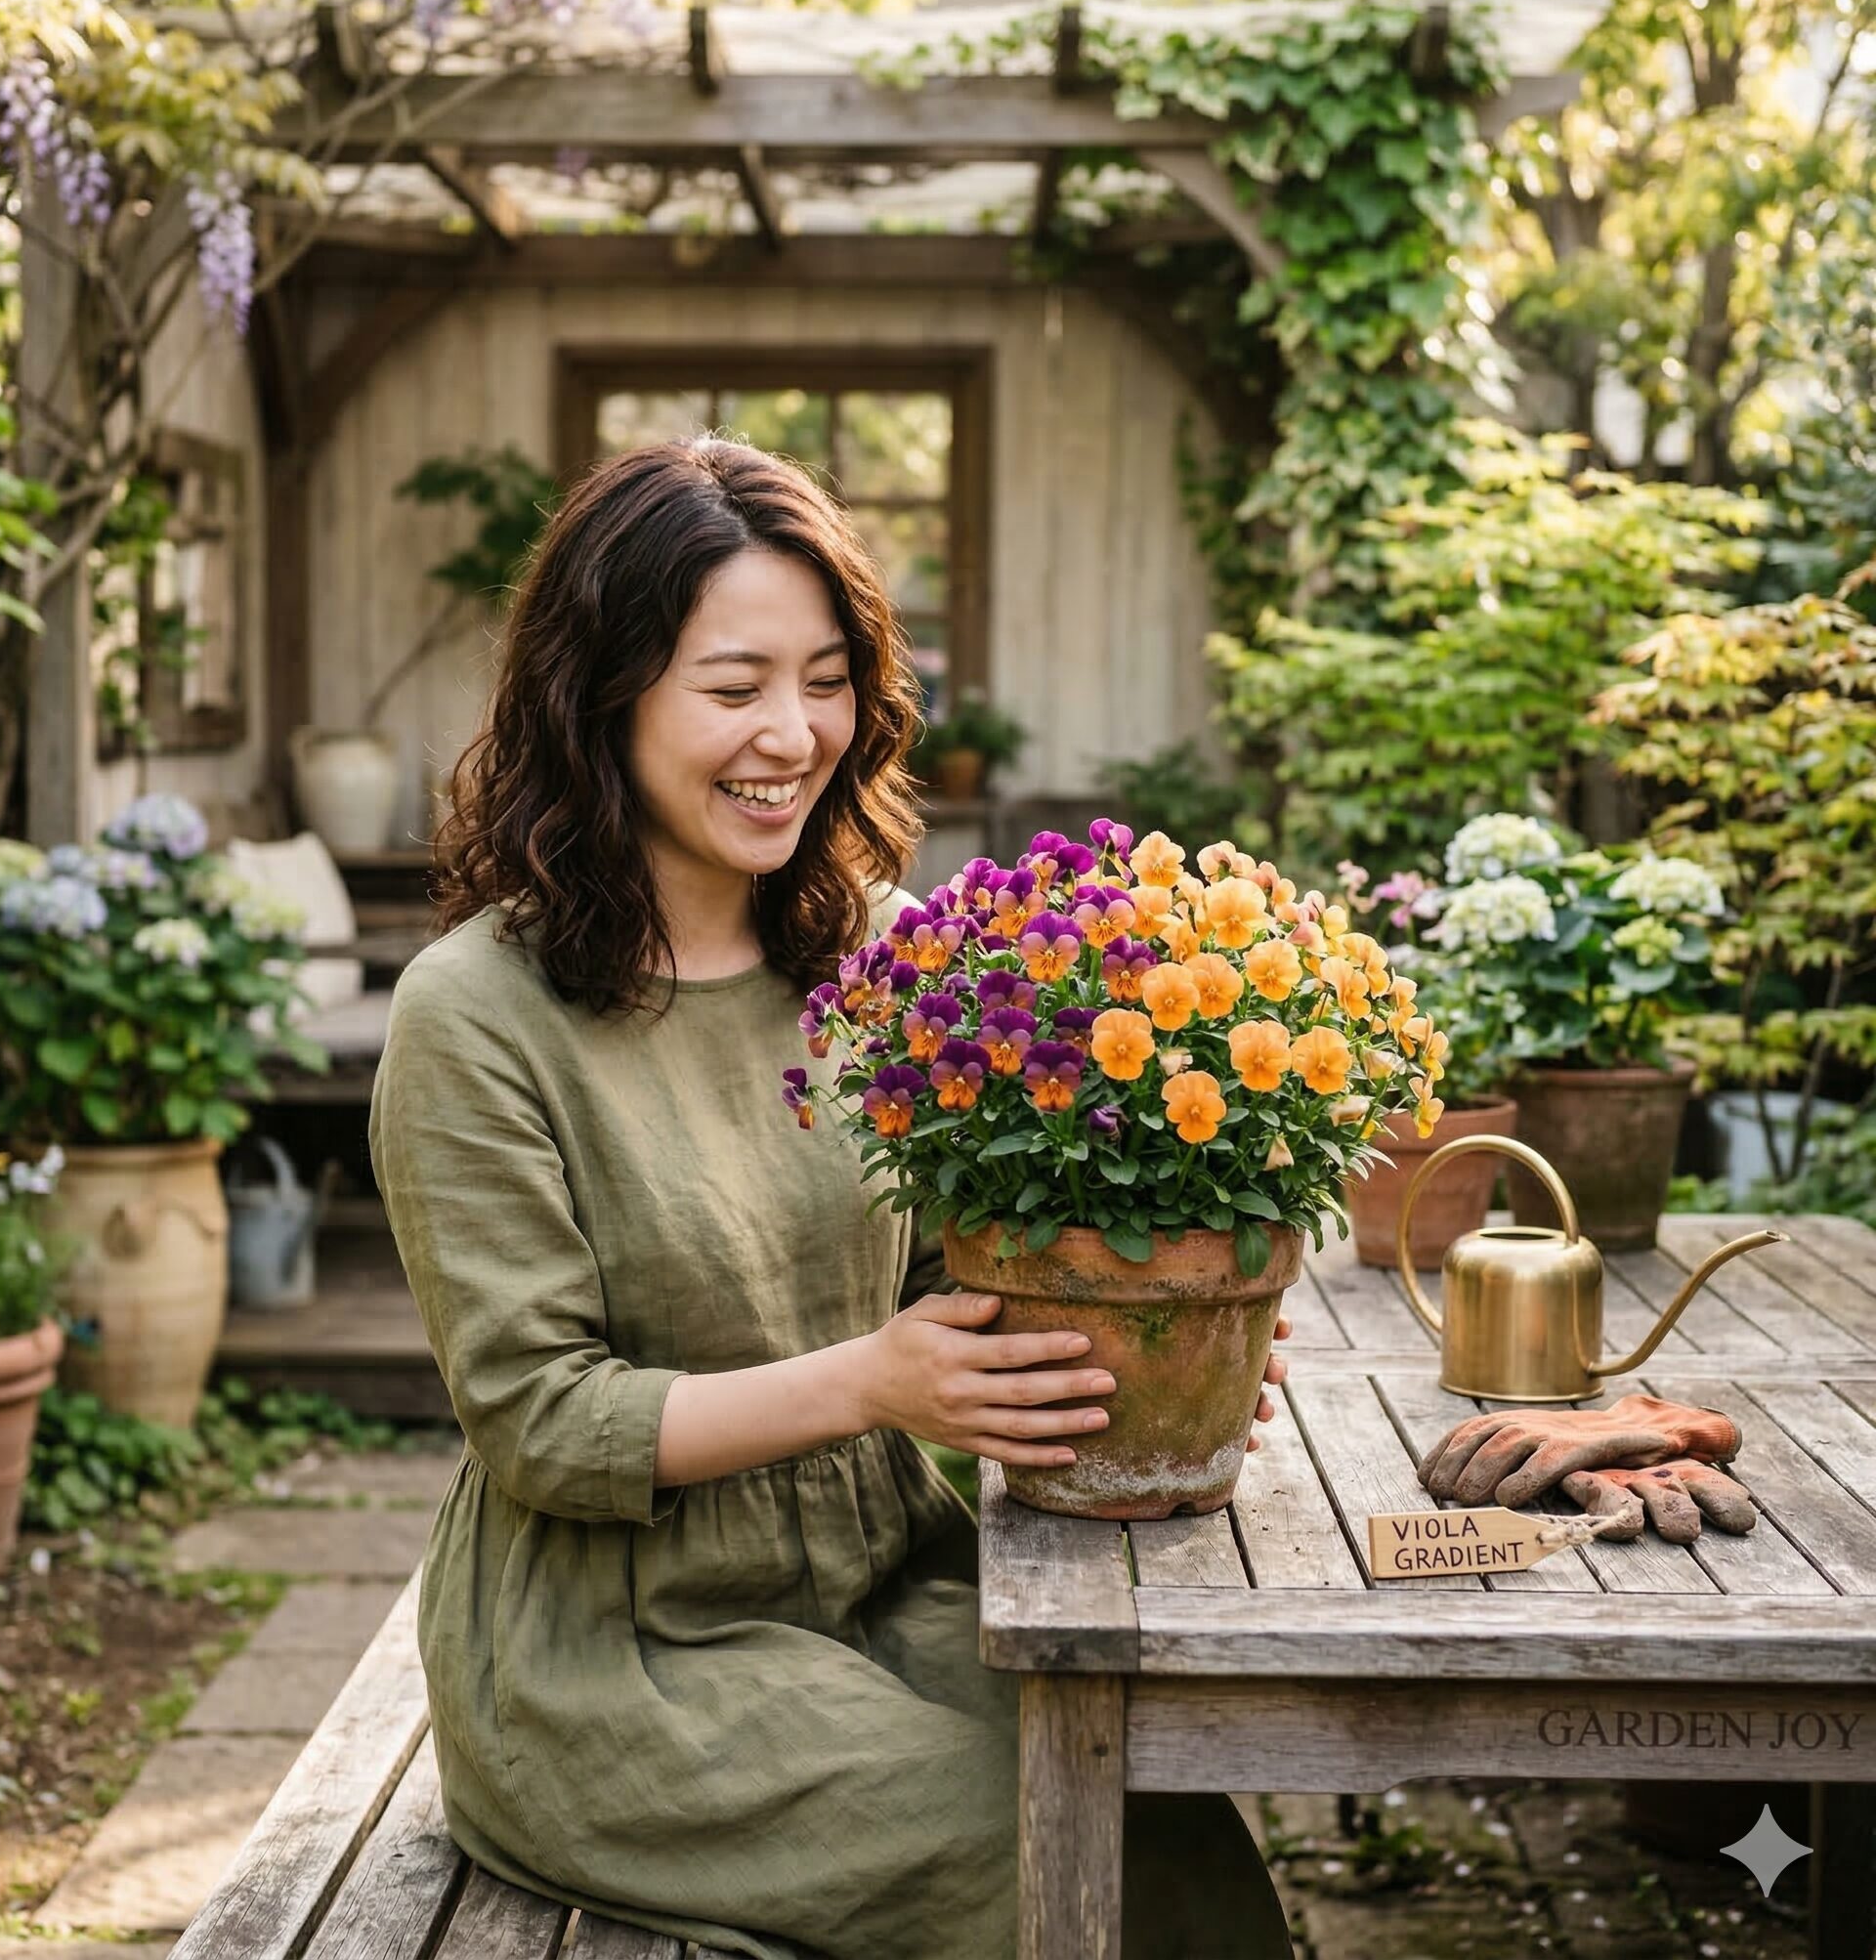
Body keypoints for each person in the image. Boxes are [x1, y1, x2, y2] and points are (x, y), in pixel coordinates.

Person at [368, 437, 1294, 1960]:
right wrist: (880, 1379)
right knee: (1037, 1860)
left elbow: (966, 1265)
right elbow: (540, 1420)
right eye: (732, 688)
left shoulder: (876, 947)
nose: (790, 734)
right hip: (622, 1656)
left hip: (883, 1575)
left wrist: (1150, 1351)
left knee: (1172, 1835)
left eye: (825, 679)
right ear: (598, 697)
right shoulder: (476, 1015)